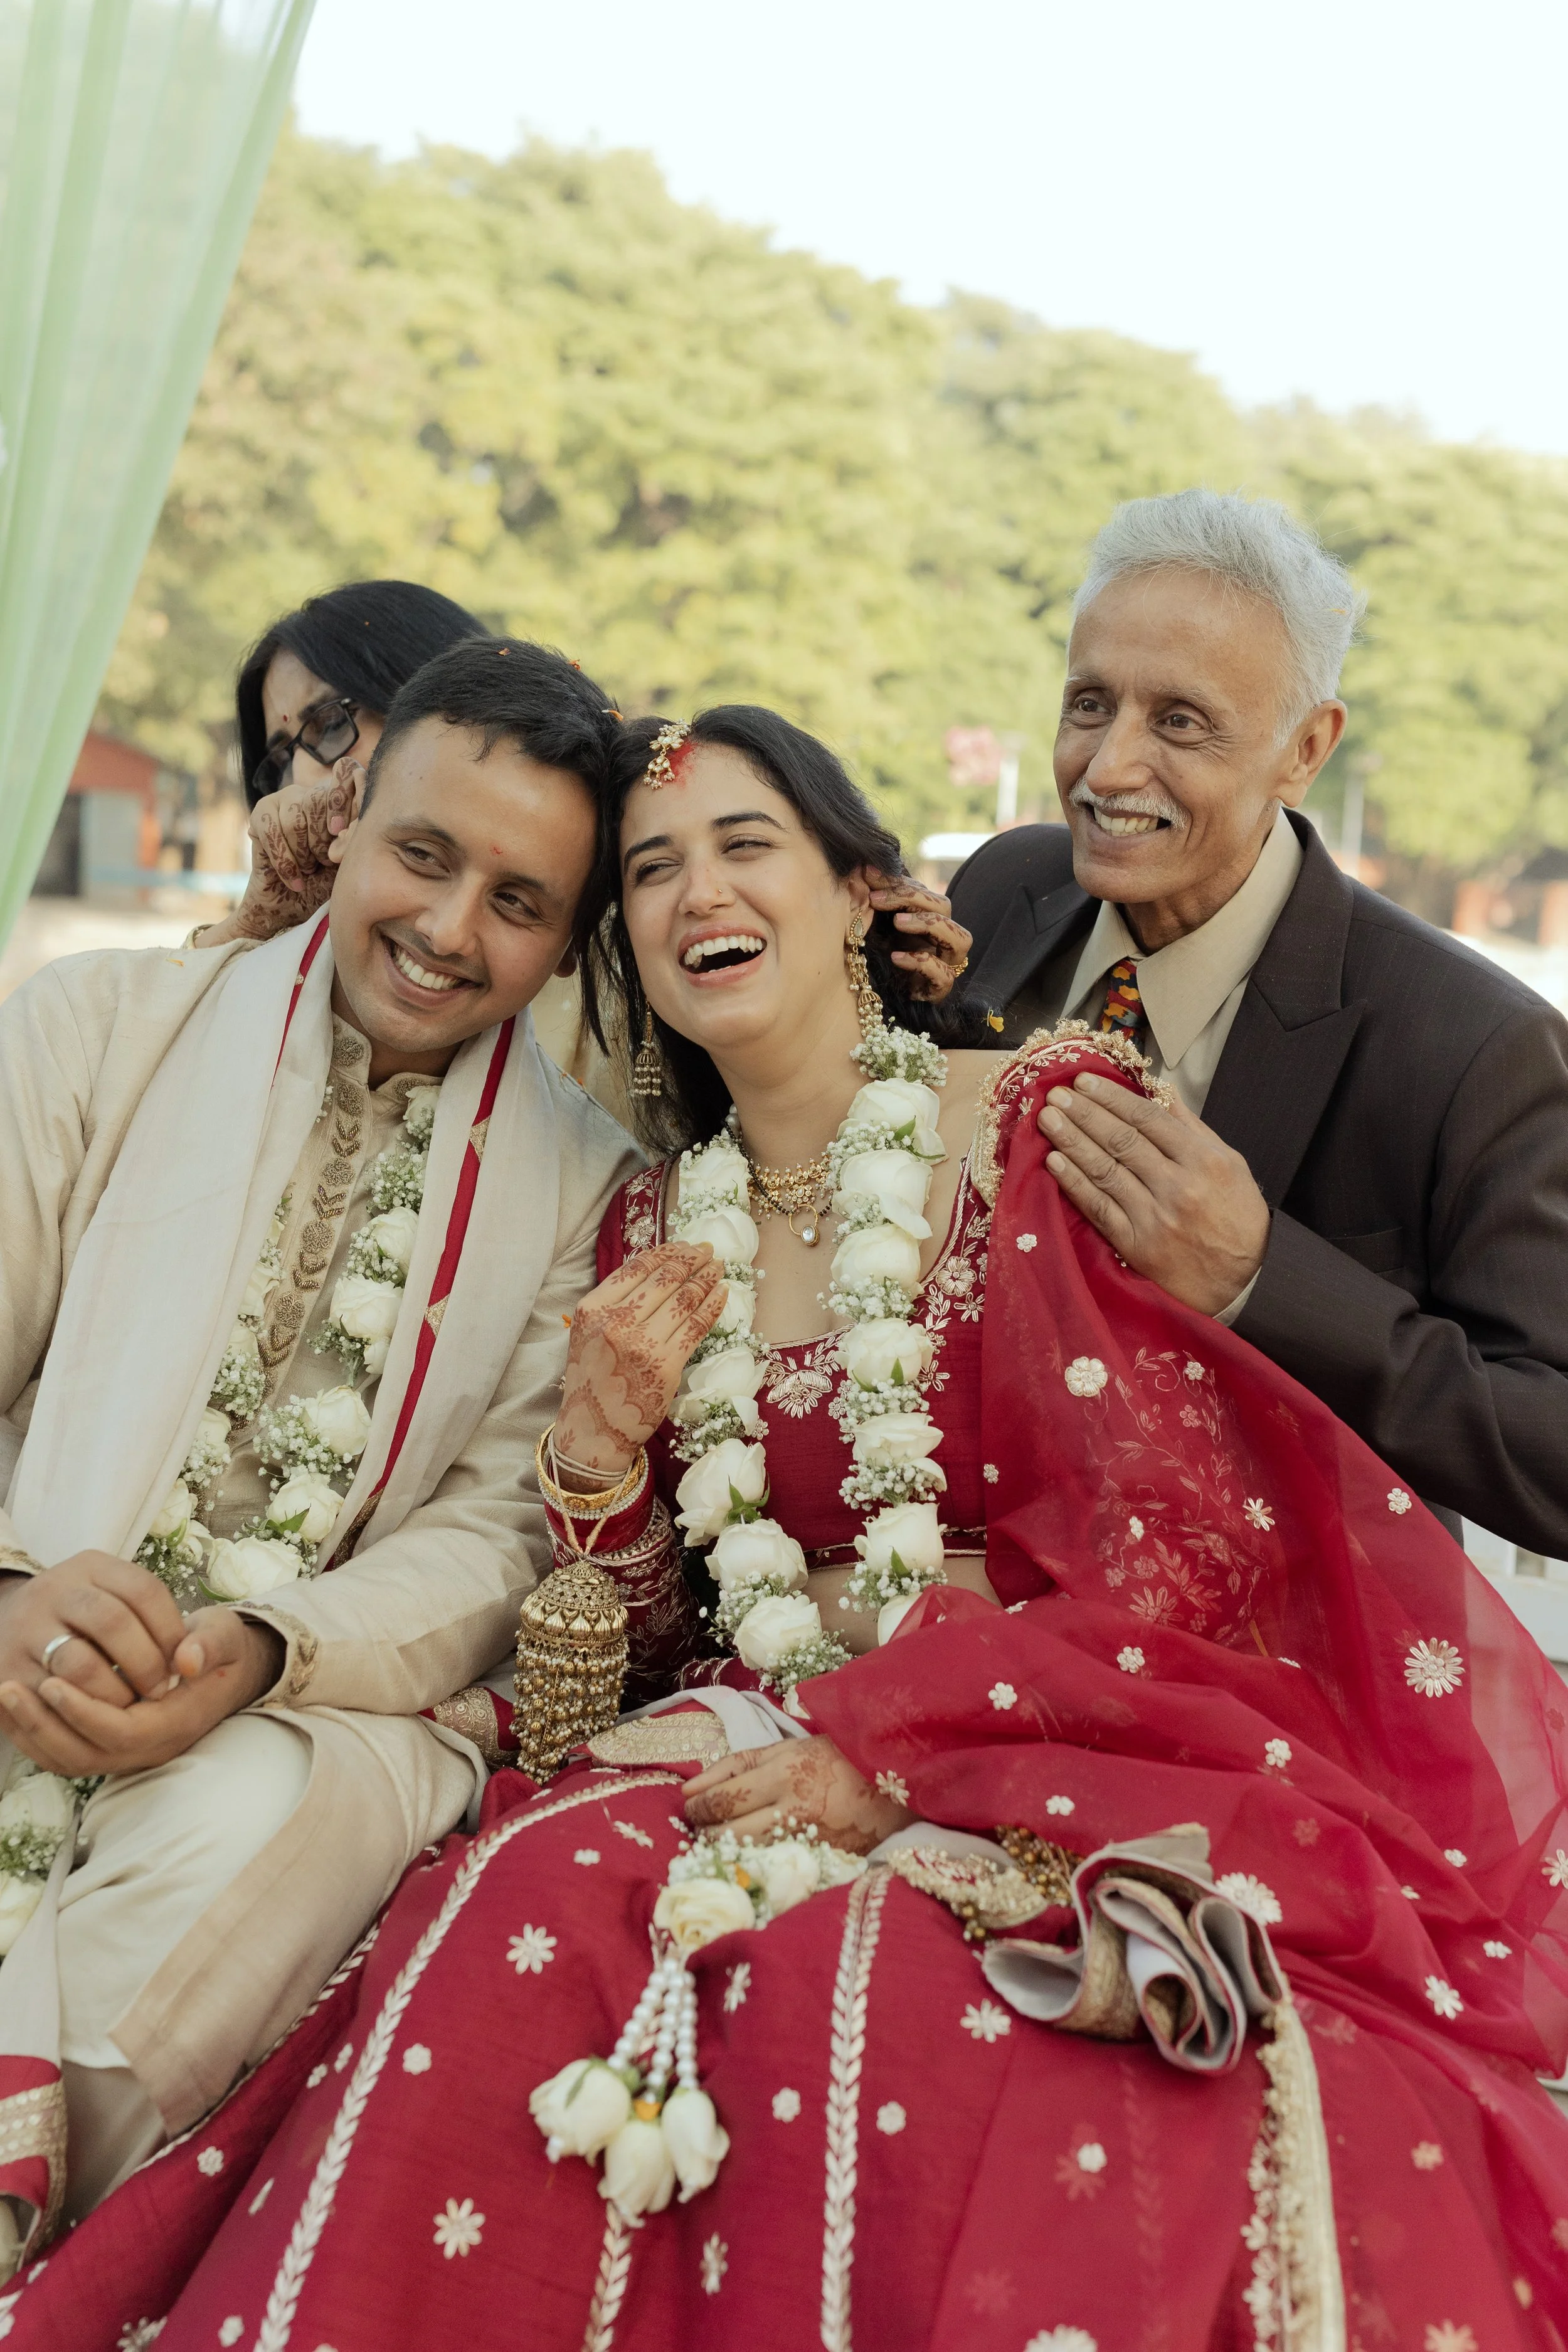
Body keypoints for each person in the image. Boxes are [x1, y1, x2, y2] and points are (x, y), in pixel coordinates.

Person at [18, 705, 1568, 2352]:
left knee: (895, 2010)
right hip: (742, 1724)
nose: (697, 894)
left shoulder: (1027, 1126)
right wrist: (605, 1458)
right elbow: (603, 1664)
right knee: (515, 1896)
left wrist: (900, 1750)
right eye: (649, 871)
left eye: (743, 846)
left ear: (850, 888)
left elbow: (1176, 1556)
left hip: (1056, 1746)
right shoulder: (639, 1214)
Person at [0, 637, 640, 2264]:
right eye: (422, 853)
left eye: (516, 899)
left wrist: (266, 1648)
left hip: (284, 1682)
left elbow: (501, 1531)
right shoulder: (95, 1028)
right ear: (344, 824)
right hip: (20, 1594)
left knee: (234, 1836)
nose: (445, 928)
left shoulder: (580, 1182)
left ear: (567, 940)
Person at [946, 489, 1568, 1560]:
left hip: (1285, 1665)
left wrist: (1260, 1276)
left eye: (1179, 721)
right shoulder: (1003, 892)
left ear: (1305, 748)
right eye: (1089, 703)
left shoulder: (1474, 1045)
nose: (1105, 771)